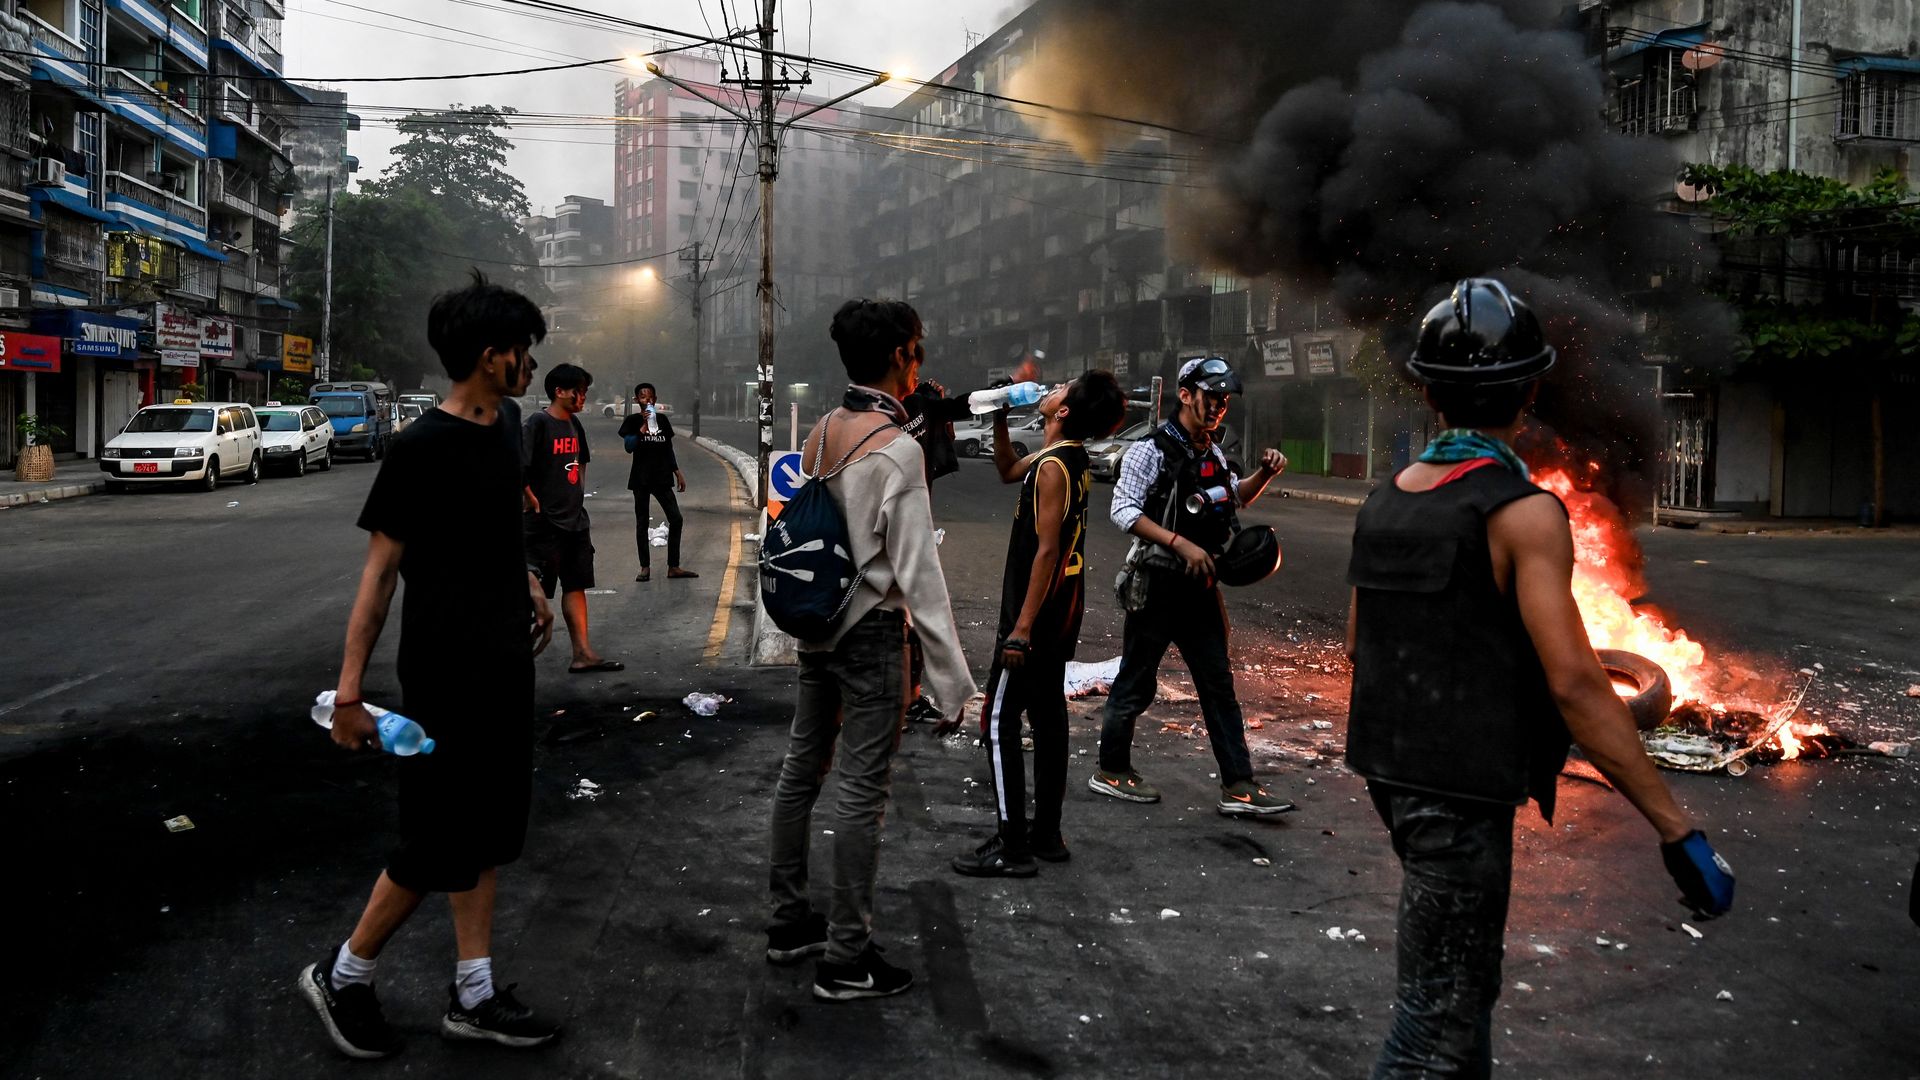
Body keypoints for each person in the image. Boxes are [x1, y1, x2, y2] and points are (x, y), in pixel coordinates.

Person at [1346, 278, 1734, 1077]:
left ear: (1426, 391)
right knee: (1433, 1026)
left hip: (1395, 778)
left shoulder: (1385, 500)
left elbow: (1361, 643)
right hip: (1460, 797)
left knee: (1460, 1000)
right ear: (1529, 390)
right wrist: (1675, 828)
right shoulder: (1521, 511)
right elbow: (1577, 684)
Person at [298, 272, 561, 1058]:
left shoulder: (507, 425)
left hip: (508, 665)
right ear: (490, 356)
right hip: (445, 676)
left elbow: (494, 527)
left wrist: (529, 582)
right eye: (524, 352)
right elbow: (379, 577)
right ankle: (343, 974)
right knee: (437, 840)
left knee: (485, 834)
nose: (531, 365)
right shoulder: (418, 449)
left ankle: (474, 995)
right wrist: (349, 693)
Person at [765, 298, 973, 1002]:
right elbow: (919, 575)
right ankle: (846, 957)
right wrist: (953, 686)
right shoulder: (896, 449)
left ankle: (788, 920)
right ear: (897, 357)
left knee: (802, 769)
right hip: (873, 635)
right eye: (917, 349)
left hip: (817, 625)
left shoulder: (825, 430)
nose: (921, 361)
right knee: (860, 790)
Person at [1091, 356, 1295, 816]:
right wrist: (1180, 544)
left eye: (1224, 400)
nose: (1219, 406)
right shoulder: (1150, 450)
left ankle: (1239, 785)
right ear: (1185, 395)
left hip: (1200, 588)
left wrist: (1265, 473)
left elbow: (1231, 495)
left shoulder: (1214, 452)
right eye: (1211, 396)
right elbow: (1123, 510)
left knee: (1218, 684)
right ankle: (1110, 769)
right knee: (1136, 681)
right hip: (1158, 583)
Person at [950, 371, 1128, 877]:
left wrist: (1021, 628)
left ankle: (1012, 843)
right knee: (1049, 719)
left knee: (999, 719)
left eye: (1064, 388)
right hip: (1061, 612)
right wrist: (1001, 412)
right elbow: (1007, 468)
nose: (1053, 389)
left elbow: (1047, 551)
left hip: (1036, 615)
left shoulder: (1054, 468)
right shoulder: (1062, 458)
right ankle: (1047, 834)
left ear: (1064, 411)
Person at [524, 362, 622, 674]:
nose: (583, 397)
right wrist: (530, 498)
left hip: (574, 522)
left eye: (584, 392)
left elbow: (581, 463)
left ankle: (582, 653)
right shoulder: (538, 423)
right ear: (559, 391)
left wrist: (576, 496)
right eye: (578, 391)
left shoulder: (574, 425)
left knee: (576, 585)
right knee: (530, 586)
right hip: (542, 523)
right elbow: (516, 465)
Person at [618, 383, 696, 582]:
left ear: (655, 398)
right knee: (642, 522)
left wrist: (677, 471)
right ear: (637, 401)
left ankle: (673, 566)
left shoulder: (662, 420)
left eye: (651, 397)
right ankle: (645, 567)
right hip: (641, 479)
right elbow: (629, 447)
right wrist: (643, 428)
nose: (648, 400)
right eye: (643, 397)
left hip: (662, 478)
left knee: (676, 519)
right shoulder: (633, 421)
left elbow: (668, 448)